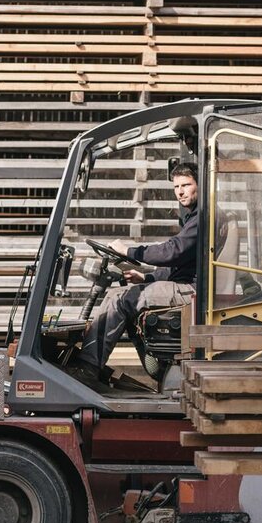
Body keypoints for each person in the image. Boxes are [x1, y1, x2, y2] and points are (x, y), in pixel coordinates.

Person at [70, 162, 200, 386]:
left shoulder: (202, 218)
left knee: (120, 298)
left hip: (193, 291)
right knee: (122, 295)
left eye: (186, 185)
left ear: (200, 185)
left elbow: (172, 252)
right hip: (186, 286)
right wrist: (147, 278)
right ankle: (97, 363)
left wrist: (129, 251)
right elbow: (179, 261)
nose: (180, 191)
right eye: (176, 186)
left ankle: (88, 369)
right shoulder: (192, 217)